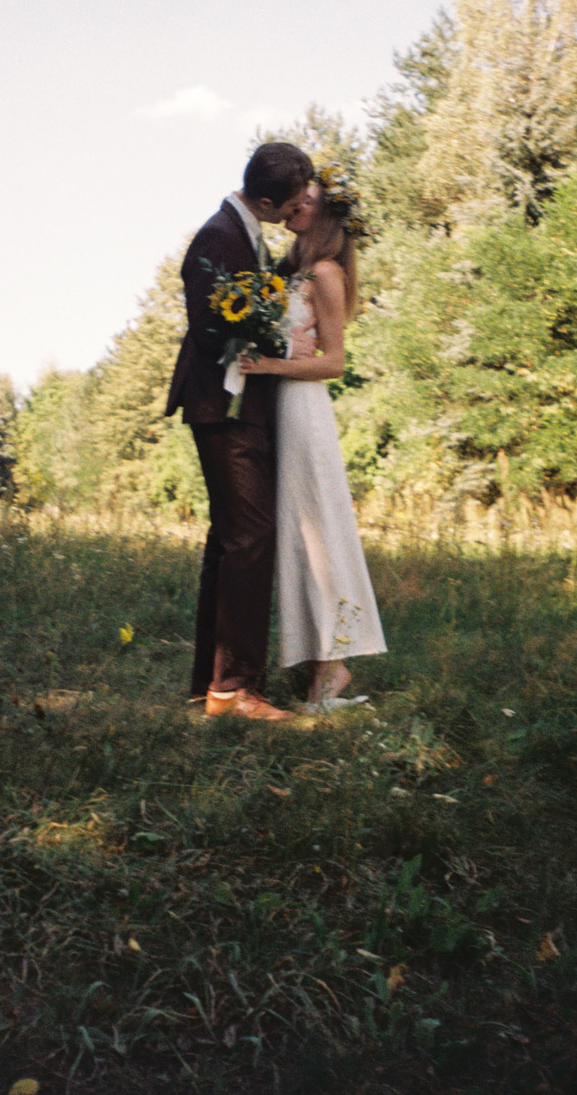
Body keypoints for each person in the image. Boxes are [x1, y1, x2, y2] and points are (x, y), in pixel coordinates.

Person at [166, 141, 314, 721]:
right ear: (268, 202)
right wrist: (282, 343)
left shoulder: (245, 232)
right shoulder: (218, 236)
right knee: (252, 537)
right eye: (294, 201)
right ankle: (237, 691)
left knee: (230, 540)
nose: (299, 208)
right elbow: (208, 328)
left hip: (236, 408)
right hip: (223, 408)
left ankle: (211, 685)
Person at [239, 169, 387, 711]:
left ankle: (333, 666)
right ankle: (320, 664)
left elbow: (334, 362)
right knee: (295, 537)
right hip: (279, 407)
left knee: (317, 534)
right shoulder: (291, 269)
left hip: (304, 411)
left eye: (307, 199)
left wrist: (268, 366)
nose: (296, 203)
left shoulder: (325, 272)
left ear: (325, 215)